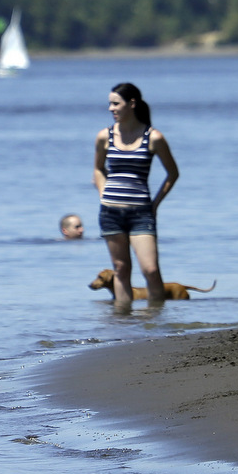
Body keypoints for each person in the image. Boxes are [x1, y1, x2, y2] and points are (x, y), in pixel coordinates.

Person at [93, 83, 179, 307]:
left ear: (132, 104)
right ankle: (124, 321)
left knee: (150, 269)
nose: (111, 108)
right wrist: (104, 194)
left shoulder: (154, 137)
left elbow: (172, 173)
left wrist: (156, 204)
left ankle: (156, 320)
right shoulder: (105, 136)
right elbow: (98, 169)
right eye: (110, 104)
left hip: (141, 213)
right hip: (110, 212)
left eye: (115, 104)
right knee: (121, 269)